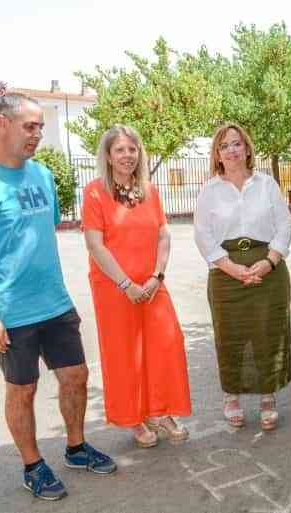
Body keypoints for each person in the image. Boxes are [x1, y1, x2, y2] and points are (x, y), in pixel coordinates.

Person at [0, 94, 116, 501]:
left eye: (40, 128)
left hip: (54, 302)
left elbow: (43, 234)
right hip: (11, 313)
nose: (37, 134)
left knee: (76, 376)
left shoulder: (44, 175)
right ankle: (33, 465)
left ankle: (76, 447)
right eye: (29, 126)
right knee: (23, 389)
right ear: (2, 124)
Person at [82, 125, 191, 448]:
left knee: (165, 346)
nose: (127, 155)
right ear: (108, 155)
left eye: (132, 149)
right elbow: (95, 245)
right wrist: (126, 283)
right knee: (125, 354)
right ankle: (135, 418)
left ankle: (162, 411)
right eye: (120, 150)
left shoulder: (149, 191)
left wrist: (157, 276)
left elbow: (163, 235)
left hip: (152, 285)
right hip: (115, 289)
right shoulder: (94, 193)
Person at [194, 122, 291, 430]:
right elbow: (203, 236)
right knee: (230, 337)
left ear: (247, 148)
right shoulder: (209, 191)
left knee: (268, 334)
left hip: (268, 271)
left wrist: (270, 261)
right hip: (226, 274)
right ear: (217, 154)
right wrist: (230, 267)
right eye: (225, 146)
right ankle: (231, 397)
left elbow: (284, 225)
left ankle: (268, 397)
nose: (232, 150)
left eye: (237, 143)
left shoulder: (266, 184)